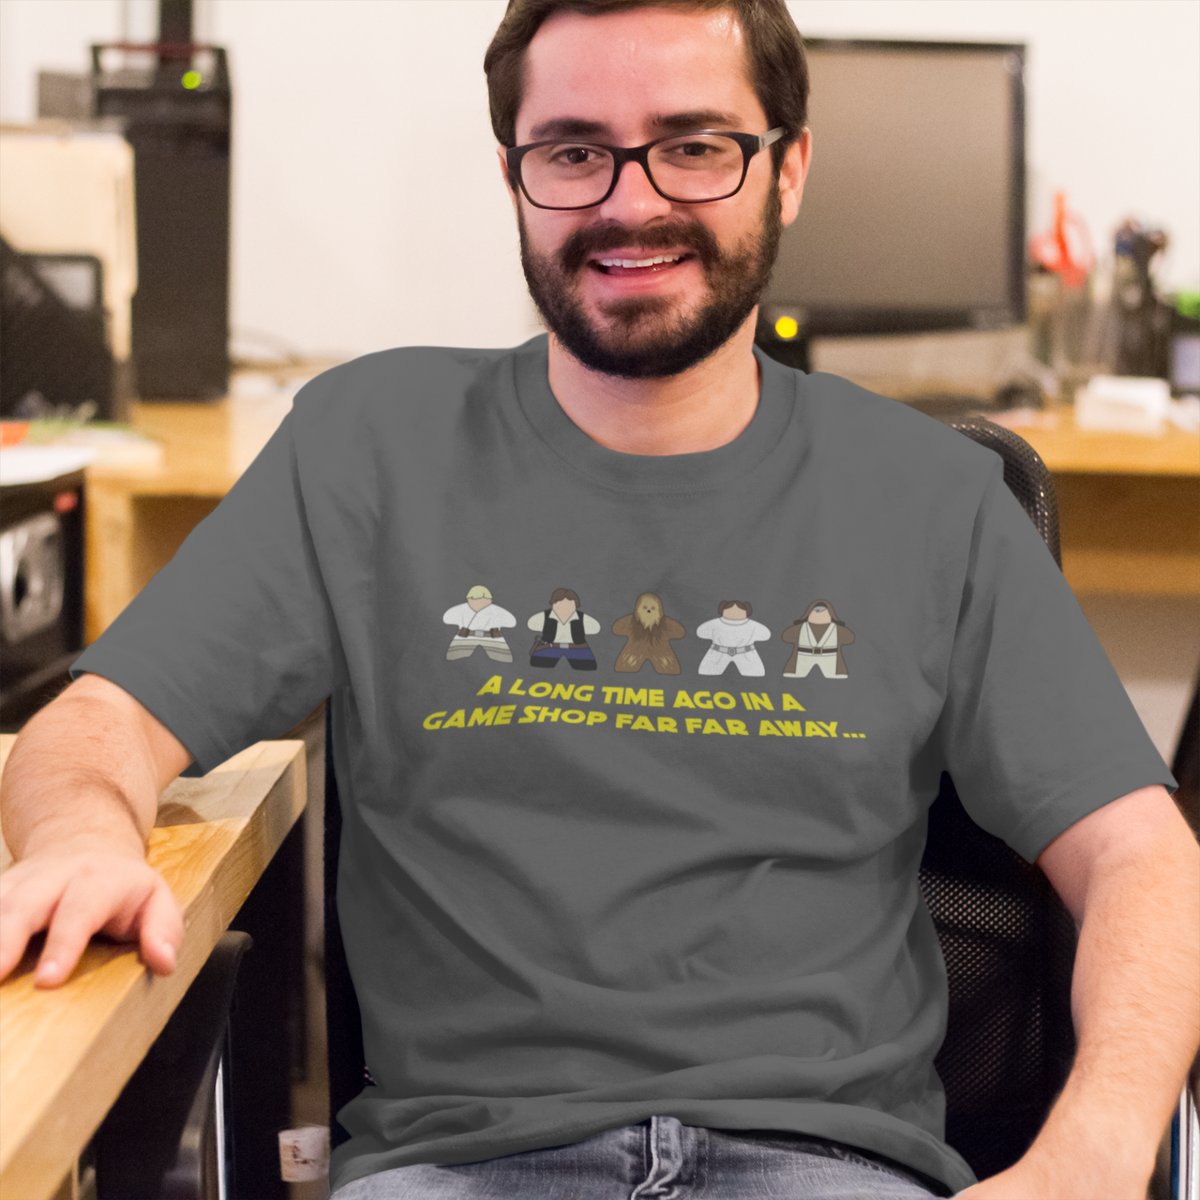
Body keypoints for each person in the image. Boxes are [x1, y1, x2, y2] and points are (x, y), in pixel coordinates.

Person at [0, 2, 1196, 1198]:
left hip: (826, 1163)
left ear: (788, 169)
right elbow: (99, 724)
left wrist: (1091, 1155)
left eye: (695, 145)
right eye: (574, 151)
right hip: (463, 1167)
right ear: (513, 176)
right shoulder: (367, 451)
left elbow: (1143, 856)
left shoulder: (933, 497)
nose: (631, 202)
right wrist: (80, 839)